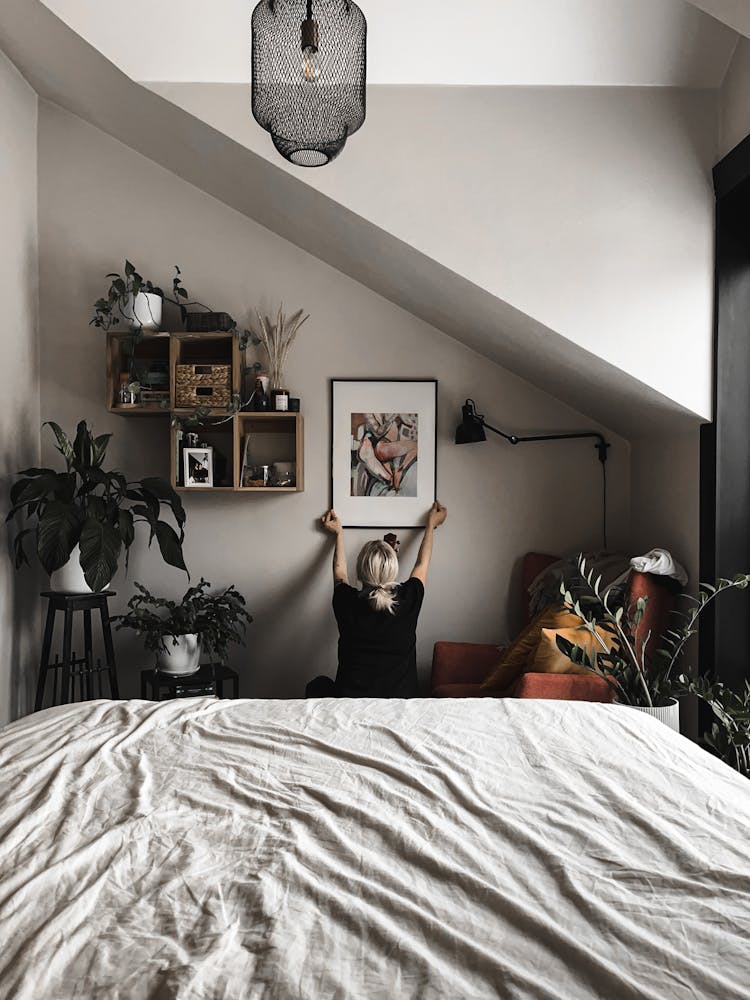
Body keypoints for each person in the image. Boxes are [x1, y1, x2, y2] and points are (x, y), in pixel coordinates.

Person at [305, 501, 448, 698]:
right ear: (393, 569)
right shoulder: (408, 599)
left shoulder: (345, 600)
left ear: (360, 571)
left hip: (350, 704)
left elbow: (339, 570)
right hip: (399, 704)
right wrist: (431, 525)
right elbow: (422, 563)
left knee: (318, 685)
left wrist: (339, 533)